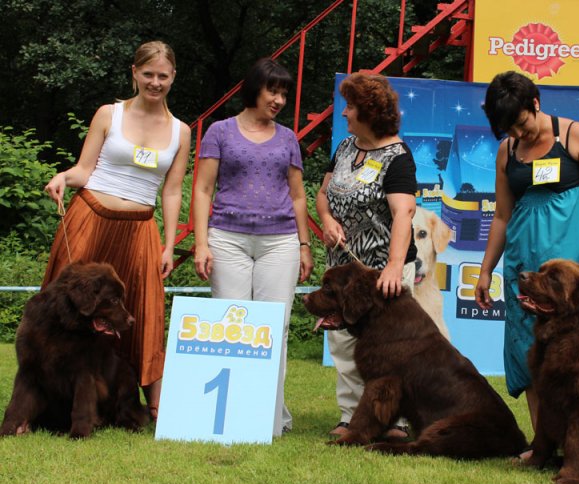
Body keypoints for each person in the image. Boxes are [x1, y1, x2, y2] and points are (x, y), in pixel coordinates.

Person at [475, 71, 579, 454]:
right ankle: (542, 447)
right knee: (529, 351)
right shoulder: (507, 151)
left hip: (568, 273)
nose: (518, 133)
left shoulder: (574, 135)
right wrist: (486, 270)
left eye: (521, 123)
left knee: (574, 352)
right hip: (522, 266)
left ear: (535, 104)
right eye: (509, 128)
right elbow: (502, 217)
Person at [43, 41, 192, 421]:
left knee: (144, 310)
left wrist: (169, 244)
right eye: (148, 74)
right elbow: (84, 170)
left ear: (173, 77)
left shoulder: (181, 131)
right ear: (134, 73)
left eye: (163, 76)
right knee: (65, 307)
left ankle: (155, 404)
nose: (155, 82)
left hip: (140, 229)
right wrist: (62, 177)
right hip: (90, 219)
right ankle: (43, 397)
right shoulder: (108, 114)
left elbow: (172, 191)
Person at [192, 58, 313, 437]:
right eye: (272, 91)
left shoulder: (288, 138)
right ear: (254, 89)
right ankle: (231, 415)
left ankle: (270, 418)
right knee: (233, 327)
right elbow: (202, 190)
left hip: (280, 243)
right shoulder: (219, 131)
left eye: (283, 94)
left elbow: (298, 196)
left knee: (274, 329)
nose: (279, 100)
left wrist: (305, 245)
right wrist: (200, 243)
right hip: (227, 240)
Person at [316, 73, 417, 439]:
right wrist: (327, 220)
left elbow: (404, 213)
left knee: (391, 346)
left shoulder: (398, 157)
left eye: (351, 107)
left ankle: (397, 421)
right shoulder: (345, 147)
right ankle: (350, 416)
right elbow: (323, 194)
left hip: (382, 270)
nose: (344, 113)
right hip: (343, 269)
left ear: (369, 112)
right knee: (343, 342)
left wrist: (393, 267)